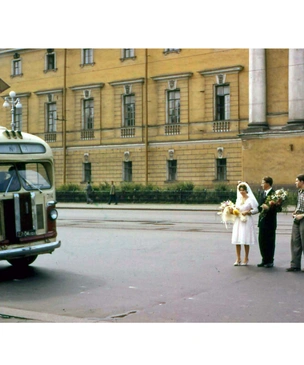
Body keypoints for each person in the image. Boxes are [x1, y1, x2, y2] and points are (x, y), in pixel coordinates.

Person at [231, 182, 259, 266]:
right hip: (238, 220)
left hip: (246, 220)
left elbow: (256, 210)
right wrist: (232, 211)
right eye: (240, 191)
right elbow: (235, 208)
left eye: (243, 190)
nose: (241, 192)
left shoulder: (251, 199)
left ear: (246, 191)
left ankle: (246, 257)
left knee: (246, 239)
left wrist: (248, 212)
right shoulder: (238, 199)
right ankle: (238, 258)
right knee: (238, 239)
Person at [257, 176, 281, 268]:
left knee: (269, 242)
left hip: (270, 222)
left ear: (268, 183)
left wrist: (269, 208)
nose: (261, 184)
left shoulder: (274, 194)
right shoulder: (262, 193)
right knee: (262, 241)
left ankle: (270, 260)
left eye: (263, 183)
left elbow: (278, 208)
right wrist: (261, 207)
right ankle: (264, 259)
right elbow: (259, 206)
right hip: (262, 222)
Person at [286, 174, 304, 272]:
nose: (295, 183)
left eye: (297, 181)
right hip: (297, 218)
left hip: (303, 218)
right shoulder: (299, 192)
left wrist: (303, 215)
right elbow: (299, 204)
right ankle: (295, 265)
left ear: (302, 182)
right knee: (295, 241)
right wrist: (296, 211)